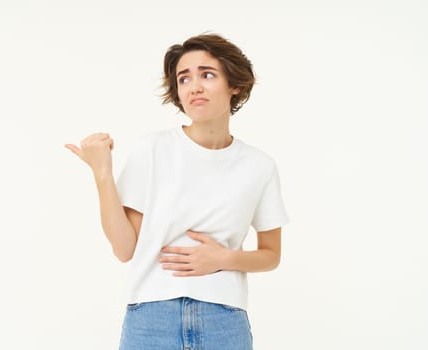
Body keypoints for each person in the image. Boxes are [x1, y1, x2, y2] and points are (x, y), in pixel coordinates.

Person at [65, 33, 289, 350]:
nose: (194, 86)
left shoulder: (259, 166)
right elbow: (124, 248)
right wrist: (102, 173)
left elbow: (271, 255)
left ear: (235, 85)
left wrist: (224, 258)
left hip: (224, 320)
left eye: (207, 75)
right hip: (151, 319)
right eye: (184, 79)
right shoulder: (152, 149)